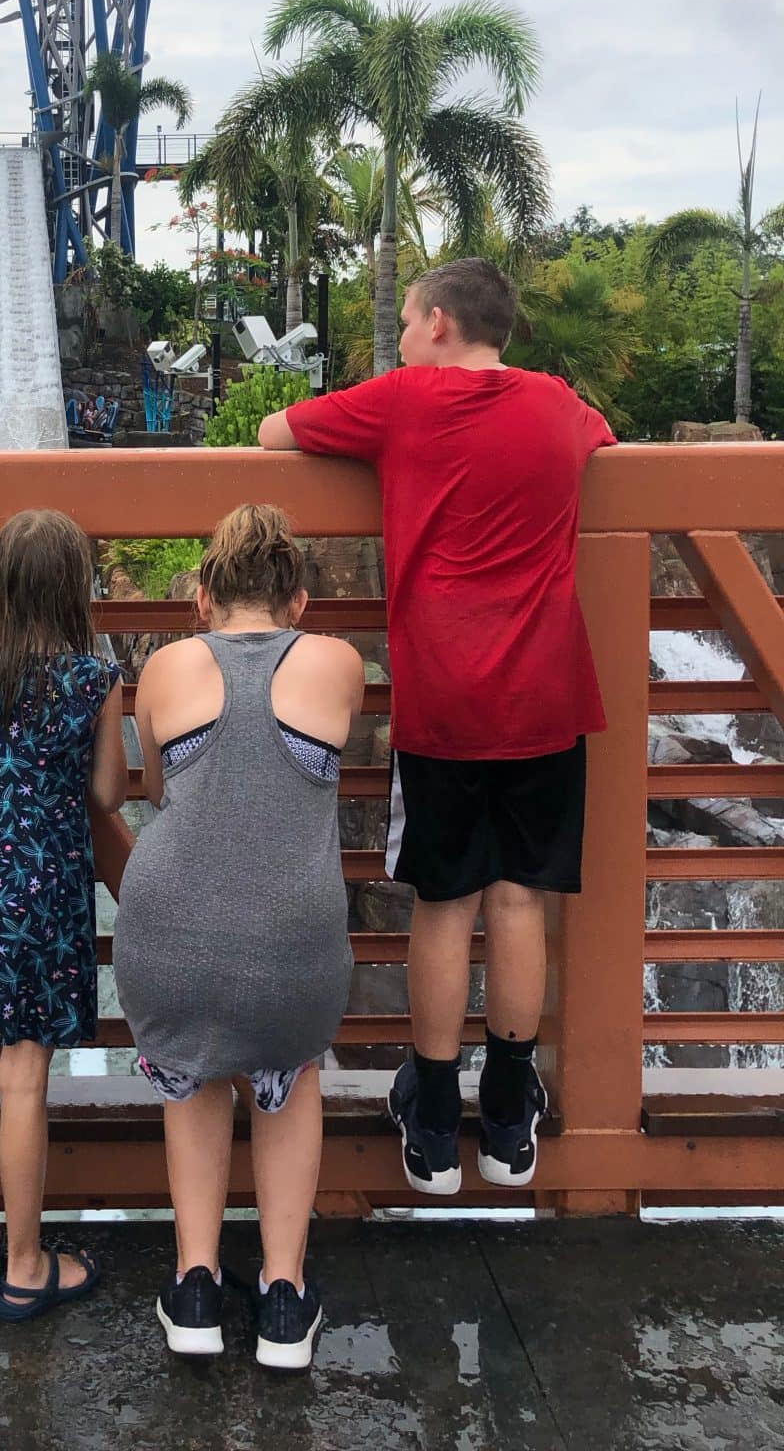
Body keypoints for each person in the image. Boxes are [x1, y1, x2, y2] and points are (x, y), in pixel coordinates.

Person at [259, 257, 617, 1197]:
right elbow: (603, 440)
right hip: (546, 696)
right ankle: (507, 1122)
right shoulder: (558, 405)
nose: (407, 336)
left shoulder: (405, 400)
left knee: (444, 903)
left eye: (412, 321)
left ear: (443, 324)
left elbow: (272, 431)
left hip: (448, 699)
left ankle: (429, 1121)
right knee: (519, 900)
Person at [113, 504, 364, 1371]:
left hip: (167, 935)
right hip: (294, 945)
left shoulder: (167, 667)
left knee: (192, 1076)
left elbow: (154, 789)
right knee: (289, 1078)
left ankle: (194, 1287)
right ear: (298, 601)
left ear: (205, 599)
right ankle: (284, 1300)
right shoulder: (338, 662)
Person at [0, 509, 128, 1322]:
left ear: (1, 581)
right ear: (73, 587)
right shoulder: (91, 678)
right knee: (26, 1079)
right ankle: (27, 1263)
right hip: (44, 887)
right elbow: (108, 793)